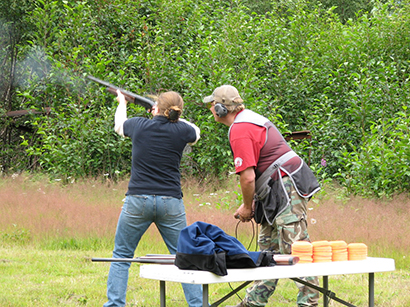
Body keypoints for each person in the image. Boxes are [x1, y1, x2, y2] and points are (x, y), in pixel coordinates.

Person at [203, 85, 321, 307]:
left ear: (220, 109)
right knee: (267, 250)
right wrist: (247, 202)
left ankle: (310, 304)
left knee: (296, 248)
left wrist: (248, 207)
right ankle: (252, 303)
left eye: (213, 104)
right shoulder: (246, 121)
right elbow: (257, 173)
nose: (210, 108)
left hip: (286, 186)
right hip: (274, 188)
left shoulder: (239, 129)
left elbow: (247, 178)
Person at [104, 89, 203, 307]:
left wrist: (123, 102)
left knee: (121, 256)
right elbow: (196, 133)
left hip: (138, 200)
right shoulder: (181, 130)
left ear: (156, 108)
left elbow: (119, 126)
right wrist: (167, 113)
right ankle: (198, 305)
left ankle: (114, 304)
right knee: (184, 257)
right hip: (171, 202)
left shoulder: (140, 125)